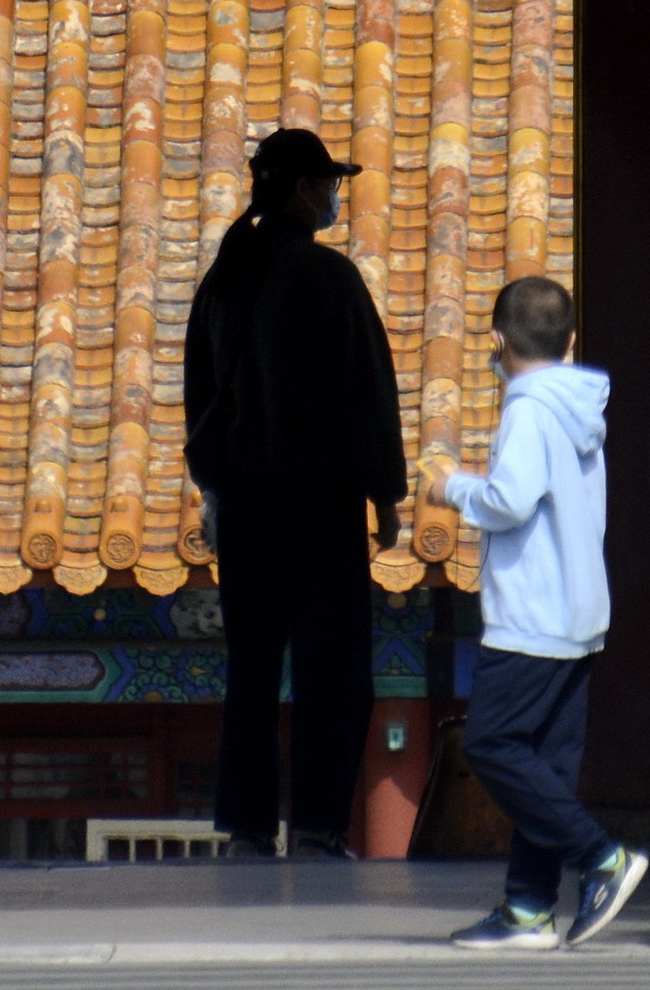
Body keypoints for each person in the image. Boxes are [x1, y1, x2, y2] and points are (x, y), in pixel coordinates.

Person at [184, 124, 407, 858]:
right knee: (332, 665)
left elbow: (200, 396)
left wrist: (214, 489)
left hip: (246, 504)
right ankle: (317, 823)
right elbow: (368, 390)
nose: (335, 197)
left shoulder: (225, 278)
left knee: (251, 666)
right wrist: (385, 494)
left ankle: (245, 826)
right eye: (331, 184)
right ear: (308, 192)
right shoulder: (326, 277)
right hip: (319, 503)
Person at [432, 275, 648, 952]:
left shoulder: (527, 408)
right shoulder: (579, 406)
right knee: (548, 765)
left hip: (530, 612)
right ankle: (528, 907)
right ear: (571, 341)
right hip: (579, 610)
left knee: (492, 744)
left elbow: (511, 499)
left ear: (495, 342)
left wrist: (450, 488)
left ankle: (603, 859)